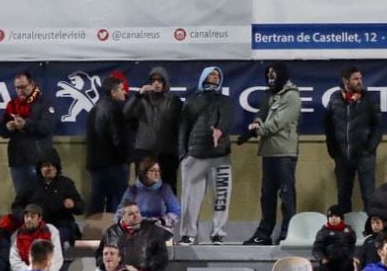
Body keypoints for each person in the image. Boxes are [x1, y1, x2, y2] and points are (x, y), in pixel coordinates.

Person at [243, 62, 302, 245]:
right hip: (268, 152)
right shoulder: (268, 95)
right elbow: (261, 114)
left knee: (286, 195)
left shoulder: (292, 96)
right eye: (268, 73)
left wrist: (258, 130)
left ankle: (287, 234)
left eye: (274, 73)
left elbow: (278, 122)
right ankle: (264, 234)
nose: (271, 76)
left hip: (284, 152)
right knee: (267, 195)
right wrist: (256, 122)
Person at [177, 66, 233, 245]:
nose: (215, 77)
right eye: (211, 74)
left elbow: (227, 119)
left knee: (221, 198)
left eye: (218, 75)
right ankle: (188, 234)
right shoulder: (193, 101)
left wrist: (220, 131)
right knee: (190, 198)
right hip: (195, 156)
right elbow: (183, 128)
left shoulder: (225, 101)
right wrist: (183, 155)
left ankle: (218, 234)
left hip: (220, 156)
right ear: (203, 77)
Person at [323, 65, 382, 213]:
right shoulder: (335, 99)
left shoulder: (369, 99)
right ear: (346, 81)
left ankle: (371, 230)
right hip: (342, 157)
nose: (359, 82)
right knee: (343, 196)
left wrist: (369, 149)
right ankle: (345, 232)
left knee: (369, 196)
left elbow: (378, 126)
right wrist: (334, 151)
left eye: (360, 78)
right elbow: (328, 126)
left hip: (365, 157)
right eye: (355, 79)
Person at [124, 66, 183, 191]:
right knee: (143, 188)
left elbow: (181, 126)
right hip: (144, 152)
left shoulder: (174, 101)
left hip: (167, 153)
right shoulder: (142, 100)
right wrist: (138, 95)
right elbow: (126, 114)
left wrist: (179, 152)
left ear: (165, 82)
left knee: (168, 188)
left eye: (160, 80)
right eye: (153, 80)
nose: (156, 83)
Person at [11, 151, 85, 247]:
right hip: (35, 226)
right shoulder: (29, 185)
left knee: (52, 239)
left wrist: (73, 204)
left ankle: (56, 261)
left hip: (61, 225)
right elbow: (17, 206)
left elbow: (81, 207)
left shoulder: (66, 184)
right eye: (46, 165)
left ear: (57, 168)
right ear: (40, 168)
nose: (49, 168)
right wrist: (25, 217)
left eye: (52, 165)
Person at [0, 72, 57, 195]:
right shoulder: (12, 105)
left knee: (40, 198)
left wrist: (26, 124)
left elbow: (47, 127)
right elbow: (2, 132)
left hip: (37, 160)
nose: (20, 91)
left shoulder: (44, 103)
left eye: (23, 87)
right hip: (17, 161)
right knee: (21, 199)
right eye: (17, 88)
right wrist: (7, 127)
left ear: (32, 85)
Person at [86, 75, 131, 214]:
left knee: (97, 204)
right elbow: (118, 140)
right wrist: (126, 157)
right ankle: (115, 235)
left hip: (96, 166)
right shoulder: (115, 110)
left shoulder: (93, 109)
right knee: (118, 205)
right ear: (113, 92)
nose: (125, 92)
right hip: (114, 165)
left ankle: (92, 234)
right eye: (122, 89)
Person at [97, 200, 169, 271]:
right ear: (122, 216)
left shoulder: (153, 231)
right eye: (131, 214)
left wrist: (142, 269)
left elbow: (162, 257)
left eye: (137, 212)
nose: (136, 216)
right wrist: (112, 267)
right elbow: (99, 255)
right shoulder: (111, 232)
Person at [115, 157, 180, 233]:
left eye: (158, 171)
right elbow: (120, 212)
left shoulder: (165, 189)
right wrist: (127, 221)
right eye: (152, 171)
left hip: (159, 228)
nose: (156, 174)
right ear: (144, 173)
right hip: (137, 228)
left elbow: (176, 211)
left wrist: (162, 221)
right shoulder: (133, 190)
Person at [9, 204, 63, 271]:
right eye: (26, 216)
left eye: (32, 217)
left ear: (40, 218)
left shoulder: (51, 230)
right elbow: (14, 260)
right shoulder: (17, 235)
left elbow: (57, 256)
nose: (29, 219)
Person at [312, 205, 356, 271]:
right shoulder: (323, 232)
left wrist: (351, 256)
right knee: (320, 268)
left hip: (344, 260)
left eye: (336, 216)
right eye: (331, 216)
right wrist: (322, 258)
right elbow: (317, 249)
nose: (333, 218)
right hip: (328, 261)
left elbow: (352, 245)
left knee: (348, 266)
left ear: (341, 218)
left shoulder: (349, 230)